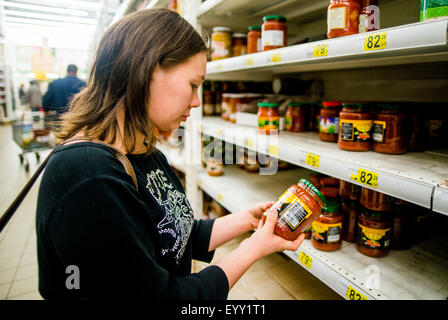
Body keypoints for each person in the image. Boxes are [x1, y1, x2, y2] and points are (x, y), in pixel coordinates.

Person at [36, 8, 305, 300]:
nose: (197, 101)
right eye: (193, 85)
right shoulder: (89, 177)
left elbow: (178, 235)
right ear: (148, 69)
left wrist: (247, 221)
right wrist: (255, 247)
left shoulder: (142, 152)